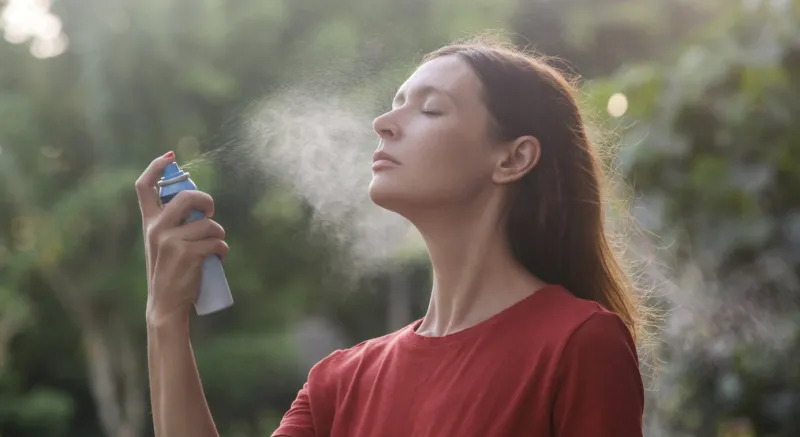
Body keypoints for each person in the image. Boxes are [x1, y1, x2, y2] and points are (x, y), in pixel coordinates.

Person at [136, 38, 647, 437]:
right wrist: (164, 317)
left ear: (513, 158)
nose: (383, 122)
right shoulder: (341, 382)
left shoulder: (577, 344)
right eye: (395, 103)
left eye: (429, 109)